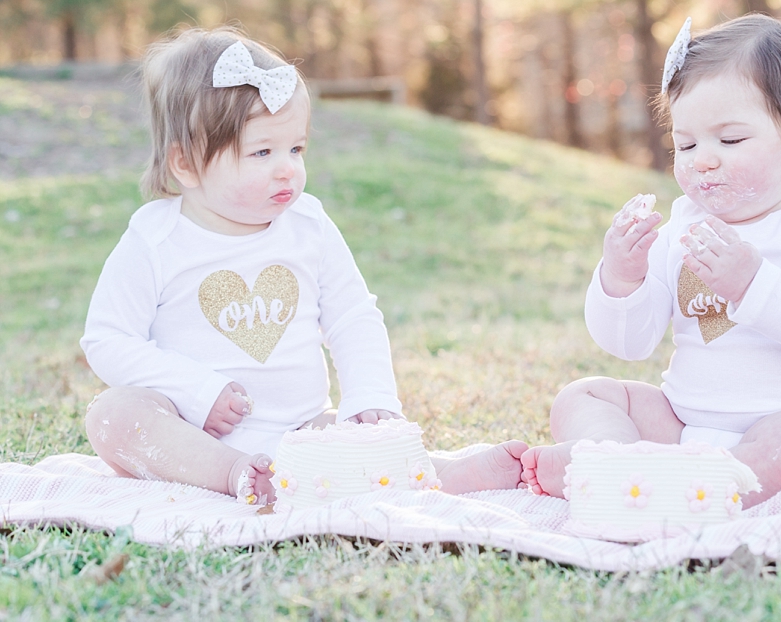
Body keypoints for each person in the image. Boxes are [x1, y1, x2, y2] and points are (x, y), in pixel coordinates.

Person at [81, 27, 526, 505]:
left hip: (302, 429)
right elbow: (108, 339)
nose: (287, 169)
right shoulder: (155, 239)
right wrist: (195, 390)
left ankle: (443, 474)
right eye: (262, 152)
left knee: (365, 447)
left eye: (295, 149)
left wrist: (370, 398)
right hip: (194, 433)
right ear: (186, 163)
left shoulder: (307, 224)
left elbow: (352, 315)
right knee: (112, 415)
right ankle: (234, 474)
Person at [521, 14, 781, 507]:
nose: (702, 159)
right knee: (585, 396)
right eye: (686, 143)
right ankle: (628, 467)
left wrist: (753, 284)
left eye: (730, 140)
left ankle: (685, 488)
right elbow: (628, 344)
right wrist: (622, 279)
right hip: (687, 424)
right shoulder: (681, 227)